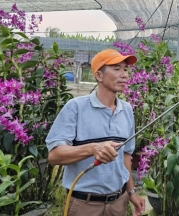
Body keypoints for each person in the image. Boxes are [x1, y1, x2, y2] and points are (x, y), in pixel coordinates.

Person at [46, 49, 145, 216]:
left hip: (117, 204)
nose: (124, 75)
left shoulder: (127, 110)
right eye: (116, 68)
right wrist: (92, 149)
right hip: (84, 204)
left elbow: (126, 156)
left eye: (126, 69)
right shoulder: (76, 107)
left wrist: (131, 192)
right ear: (99, 75)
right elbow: (54, 156)